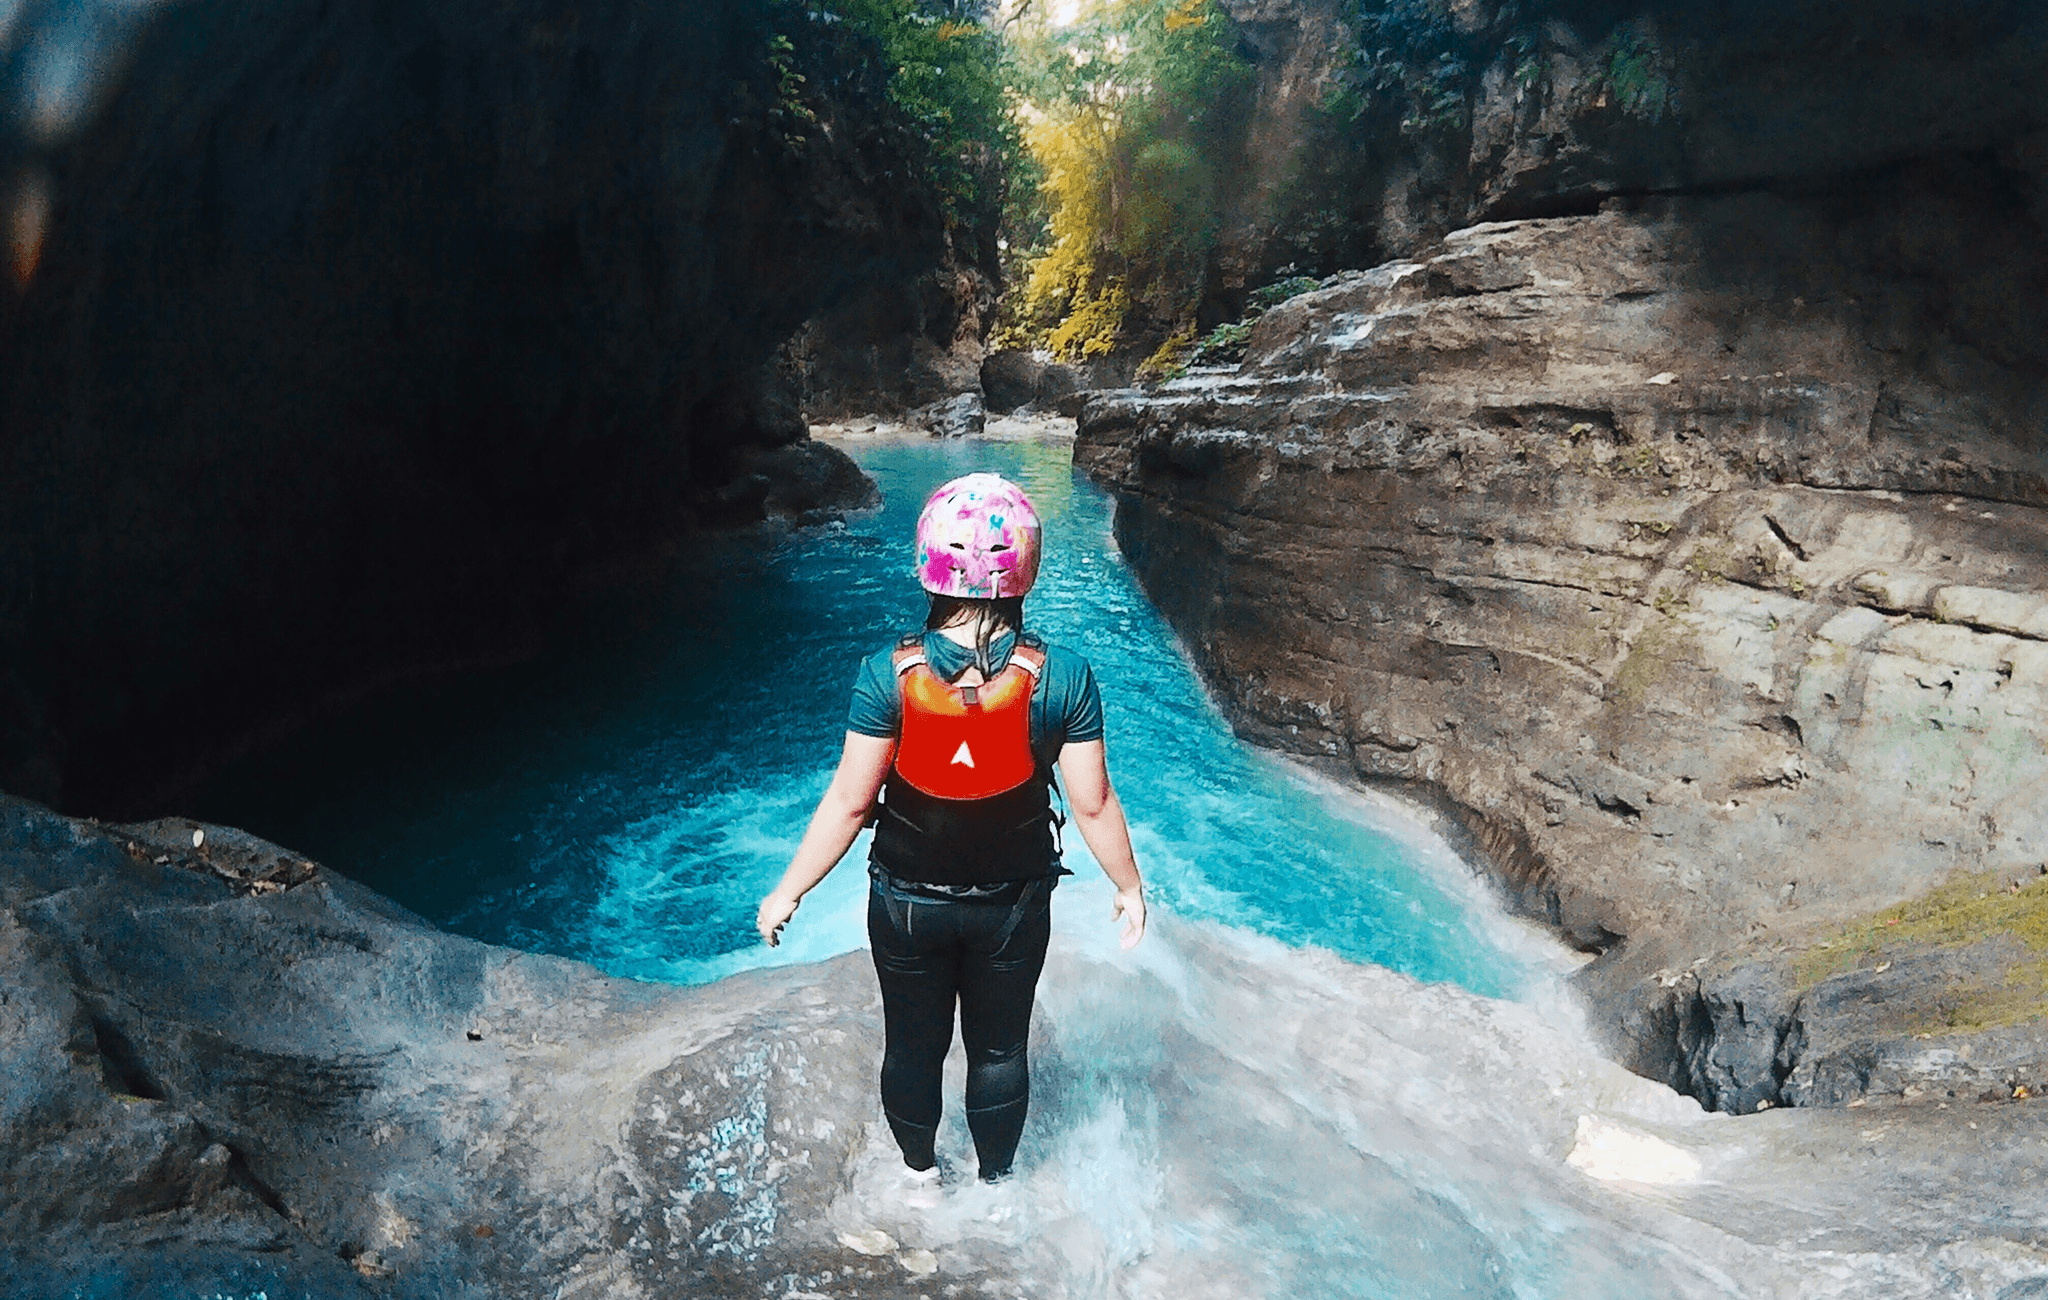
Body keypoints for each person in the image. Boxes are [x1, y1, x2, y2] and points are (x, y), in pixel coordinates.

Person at [756, 471, 1146, 1197]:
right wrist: (1128, 886)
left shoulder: (887, 675)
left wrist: (789, 891)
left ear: (927, 564)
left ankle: (918, 1178)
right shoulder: (1063, 677)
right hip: (1012, 904)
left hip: (906, 901)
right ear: (1025, 566)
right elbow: (1092, 804)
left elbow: (848, 802)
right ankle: (996, 1189)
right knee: (999, 1050)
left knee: (913, 1045)